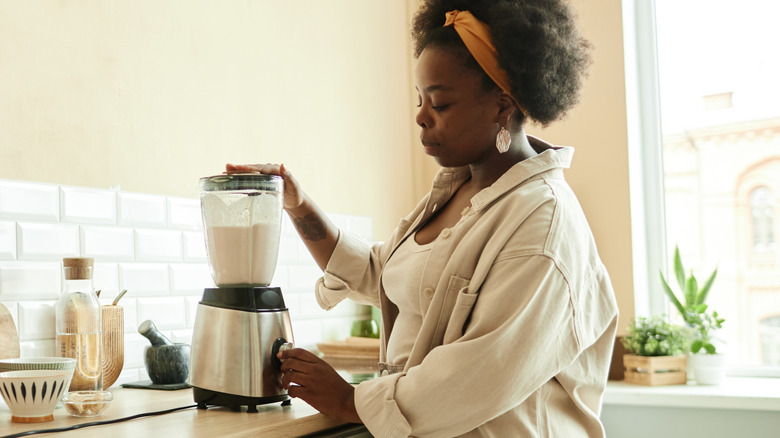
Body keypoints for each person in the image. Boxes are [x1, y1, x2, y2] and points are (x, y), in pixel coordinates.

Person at [227, 0, 618, 436]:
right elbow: (383, 274)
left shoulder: (544, 222)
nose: (420, 116)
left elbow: (481, 374)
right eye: (419, 99)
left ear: (501, 106)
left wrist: (348, 399)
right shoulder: (459, 191)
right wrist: (297, 203)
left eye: (440, 104)